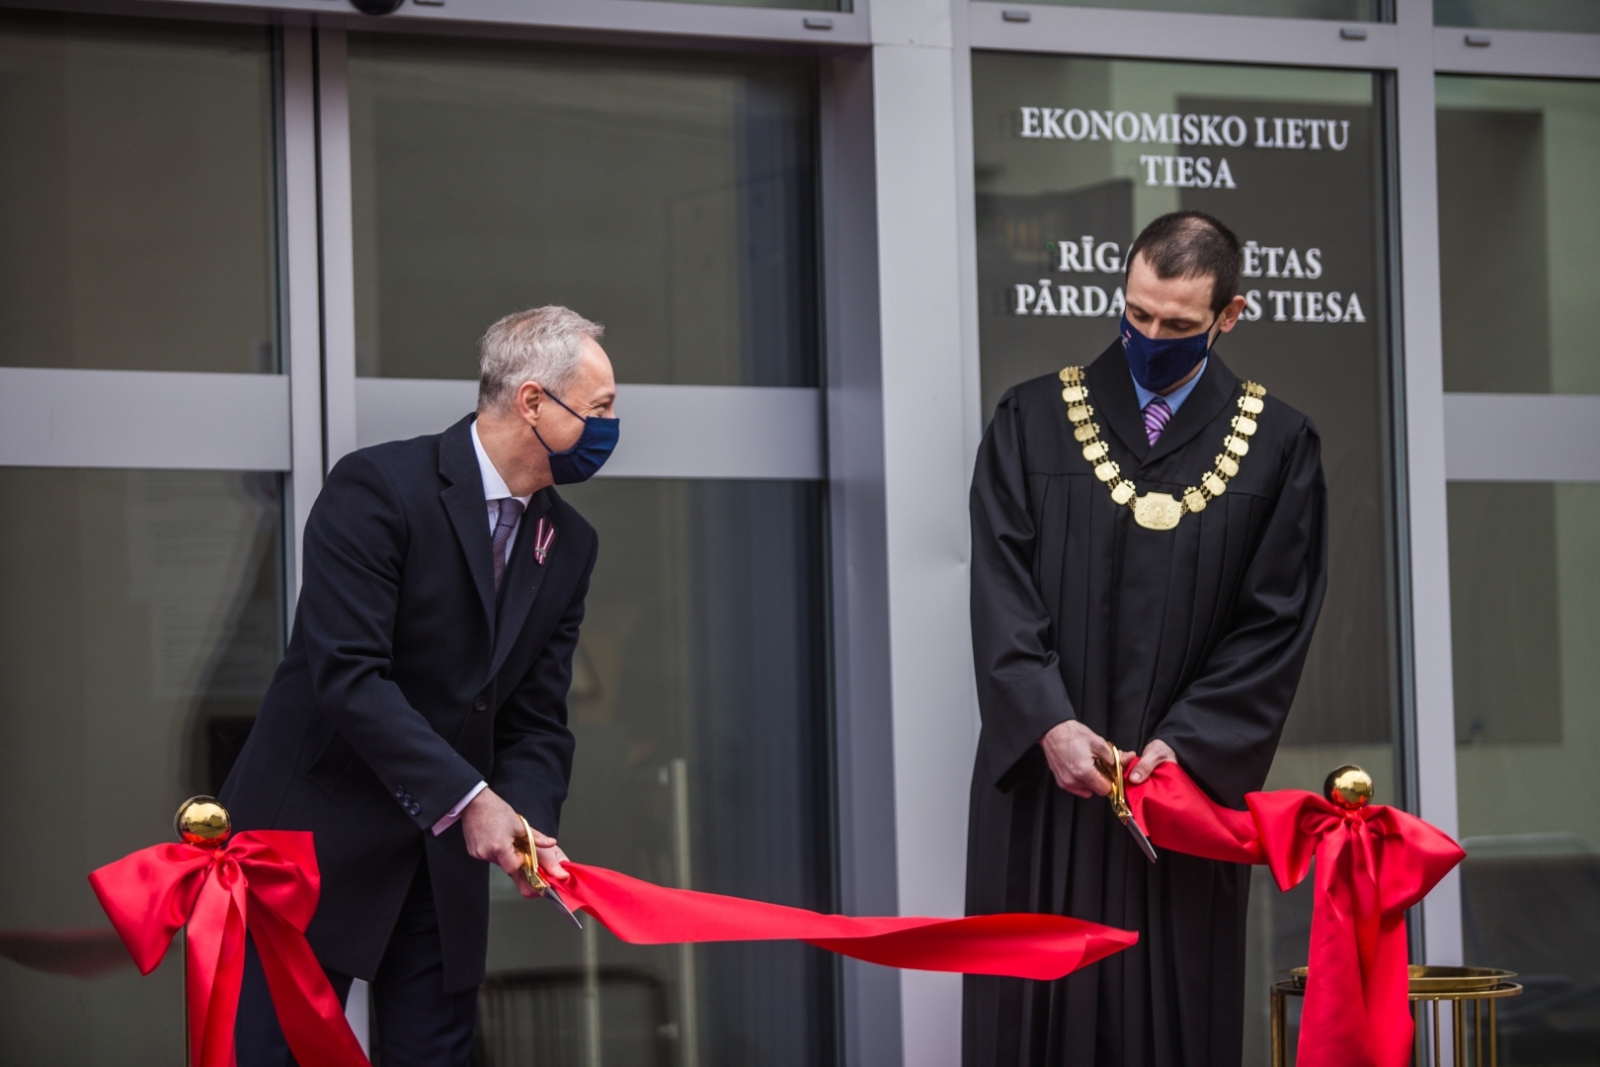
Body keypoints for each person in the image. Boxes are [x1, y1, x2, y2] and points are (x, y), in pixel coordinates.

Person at [964, 212, 1328, 1067]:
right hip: (1044, 793)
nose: (1148, 337)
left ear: (1229, 315)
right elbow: (999, 592)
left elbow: (1275, 623)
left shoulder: (1279, 446)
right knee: (1030, 1021)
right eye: (1135, 314)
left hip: (1176, 806)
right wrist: (1048, 721)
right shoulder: (1032, 420)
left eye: (1177, 325)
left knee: (1168, 1023)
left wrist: (1186, 748)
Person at [221, 306, 619, 1067]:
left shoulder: (568, 544)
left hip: (441, 866)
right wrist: (472, 800)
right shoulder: (378, 487)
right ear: (533, 402)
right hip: (310, 841)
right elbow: (349, 674)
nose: (610, 427)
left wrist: (527, 824)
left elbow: (536, 715)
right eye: (598, 408)